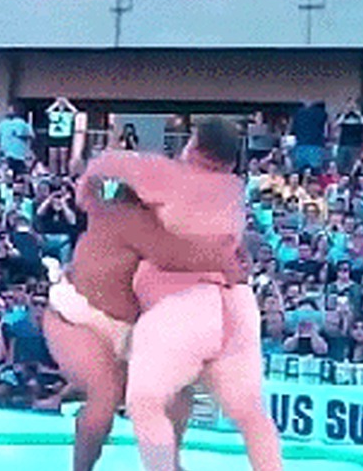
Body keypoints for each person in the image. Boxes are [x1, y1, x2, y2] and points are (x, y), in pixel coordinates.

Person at [41, 121, 251, 471]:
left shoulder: (215, 217)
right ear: (189, 151)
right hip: (81, 314)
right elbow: (95, 188)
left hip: (139, 330)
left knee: (178, 392)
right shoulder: (140, 183)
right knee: (105, 397)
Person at [111, 118, 282, 471]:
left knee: (145, 402)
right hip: (234, 305)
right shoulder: (230, 193)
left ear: (194, 147)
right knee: (247, 411)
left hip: (184, 307)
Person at [0, 104, 34, 176]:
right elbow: (31, 137)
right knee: (19, 176)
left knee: (6, 175)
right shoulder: (21, 124)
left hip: (10, 155)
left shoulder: (4, 124)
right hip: (16, 156)